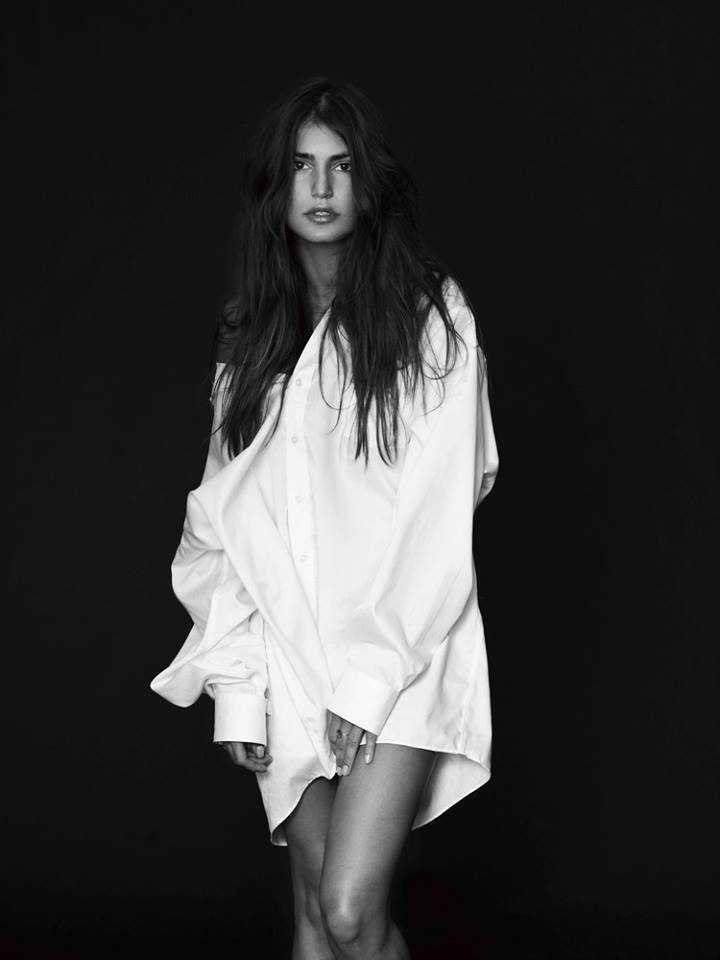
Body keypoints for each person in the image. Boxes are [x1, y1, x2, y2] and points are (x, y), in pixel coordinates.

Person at [150, 76, 499, 960]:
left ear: (368, 185)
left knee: (348, 908)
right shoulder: (250, 342)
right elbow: (219, 523)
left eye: (340, 167)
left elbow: (437, 519)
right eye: (302, 166)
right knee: (312, 904)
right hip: (287, 655)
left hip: (401, 649)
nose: (319, 186)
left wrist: (371, 675)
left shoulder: (431, 320)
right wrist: (238, 686)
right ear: (276, 188)